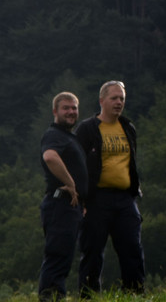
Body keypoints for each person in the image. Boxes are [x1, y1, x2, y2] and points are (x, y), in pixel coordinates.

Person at [76, 80, 145, 296]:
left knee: (132, 248)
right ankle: (89, 296)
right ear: (102, 100)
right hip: (97, 198)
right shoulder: (88, 129)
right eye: (114, 98)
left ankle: (134, 294)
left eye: (122, 99)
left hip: (125, 198)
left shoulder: (128, 127)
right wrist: (81, 199)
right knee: (93, 250)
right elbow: (77, 165)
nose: (118, 102)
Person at [39, 92, 88, 301]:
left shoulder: (69, 137)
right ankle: (50, 298)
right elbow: (50, 156)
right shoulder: (54, 134)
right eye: (65, 108)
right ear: (55, 111)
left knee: (64, 258)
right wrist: (71, 183)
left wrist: (82, 201)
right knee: (58, 257)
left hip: (70, 206)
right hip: (60, 204)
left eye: (74, 108)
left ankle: (55, 297)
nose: (71, 112)